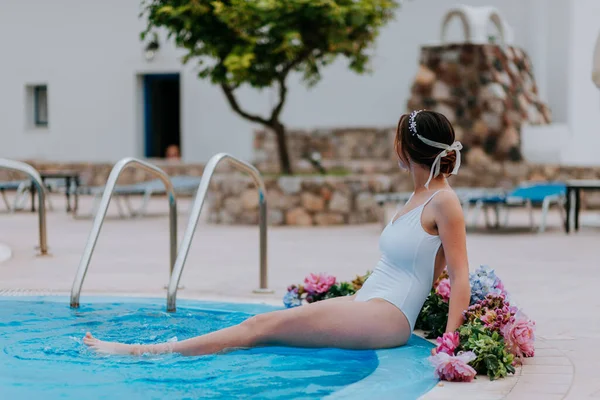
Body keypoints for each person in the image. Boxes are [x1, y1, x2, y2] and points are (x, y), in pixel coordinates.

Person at [83, 110, 471, 356]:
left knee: (259, 329)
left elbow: (458, 276)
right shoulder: (419, 195)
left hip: (388, 316)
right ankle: (153, 350)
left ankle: (141, 352)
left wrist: (450, 343)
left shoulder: (443, 202)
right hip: (370, 302)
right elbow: (426, 268)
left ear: (407, 150)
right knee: (265, 328)